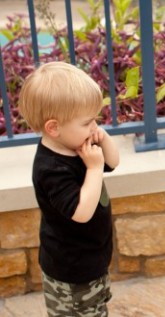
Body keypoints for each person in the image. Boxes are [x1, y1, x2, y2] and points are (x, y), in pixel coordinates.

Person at [18, 61, 120, 316]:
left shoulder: (78, 144)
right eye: (87, 122)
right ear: (54, 128)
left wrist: (102, 137)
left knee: (96, 306)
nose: (93, 127)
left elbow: (114, 161)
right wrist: (94, 169)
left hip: (91, 259)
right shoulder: (51, 169)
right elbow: (81, 212)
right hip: (72, 272)